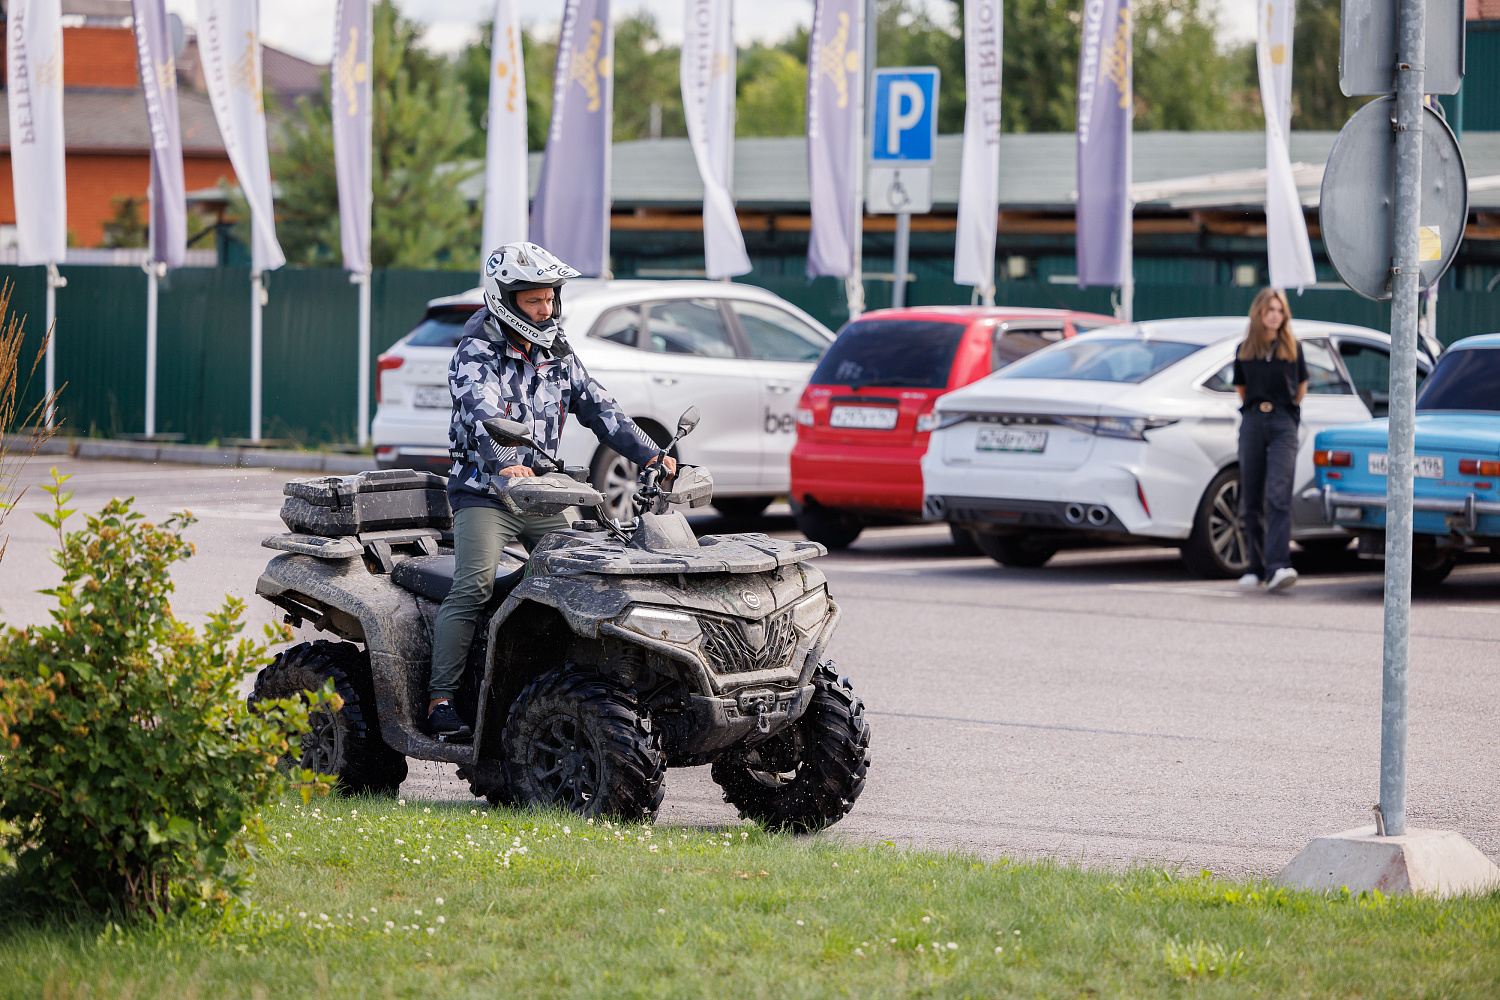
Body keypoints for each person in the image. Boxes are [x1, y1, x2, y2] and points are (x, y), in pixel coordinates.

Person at [425, 242, 674, 741]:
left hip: (545, 495)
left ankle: (588, 688)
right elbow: (482, 416)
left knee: (584, 578)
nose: (546, 309)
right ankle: (441, 700)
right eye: (535, 300)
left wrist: (651, 453)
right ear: (507, 299)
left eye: (550, 299)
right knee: (473, 586)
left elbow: (600, 407)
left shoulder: (555, 348)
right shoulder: (477, 348)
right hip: (486, 493)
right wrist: (507, 464)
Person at [1232, 287, 1308, 592]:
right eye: (1270, 310)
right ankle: (1255, 567)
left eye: (1280, 310)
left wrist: (1285, 414)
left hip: (1282, 423)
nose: (1275, 315)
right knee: (1251, 496)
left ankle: (1278, 566)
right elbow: (1241, 388)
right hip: (1252, 420)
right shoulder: (1244, 348)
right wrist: (1258, 411)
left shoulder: (1292, 347)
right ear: (1259, 313)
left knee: (1278, 495)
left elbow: (1301, 386)